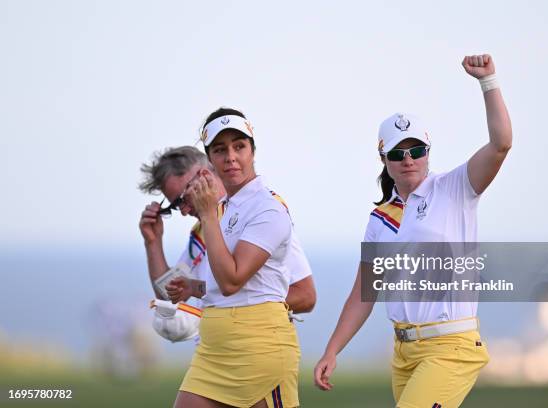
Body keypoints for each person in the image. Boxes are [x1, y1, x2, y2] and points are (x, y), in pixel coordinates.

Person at [314, 54, 512, 408]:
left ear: (428, 152)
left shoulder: (455, 189)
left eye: (417, 150)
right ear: (384, 159)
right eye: (398, 152)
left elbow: (501, 144)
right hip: (404, 354)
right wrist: (332, 350)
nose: (408, 159)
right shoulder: (380, 219)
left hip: (450, 349)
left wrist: (489, 82)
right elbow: (364, 293)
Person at [142, 108, 303, 408]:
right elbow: (174, 293)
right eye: (220, 150)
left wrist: (255, 310)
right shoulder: (214, 219)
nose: (230, 156)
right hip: (214, 351)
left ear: (252, 151)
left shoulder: (267, 209)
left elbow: (298, 293)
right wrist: (154, 244)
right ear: (211, 160)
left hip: (258, 347)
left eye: (239, 146)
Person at [138, 145, 316, 315]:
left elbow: (305, 295)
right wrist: (153, 242)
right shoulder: (201, 232)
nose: (184, 212)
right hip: (214, 343)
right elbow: (167, 296)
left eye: (183, 199)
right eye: (175, 207)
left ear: (204, 174)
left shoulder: (260, 215)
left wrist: (220, 303)